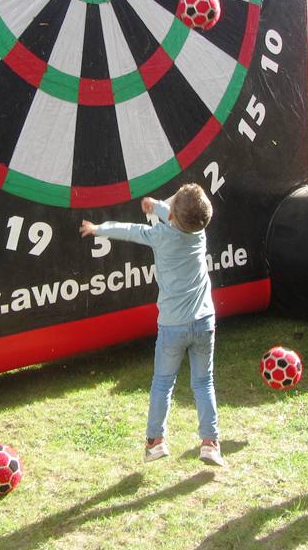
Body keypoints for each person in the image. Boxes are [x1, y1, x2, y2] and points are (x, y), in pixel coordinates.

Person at [79, 183, 225, 466]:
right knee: (203, 383)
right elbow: (178, 216)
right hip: (204, 322)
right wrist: (156, 206)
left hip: (172, 327)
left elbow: (130, 230)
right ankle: (210, 443)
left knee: (162, 382)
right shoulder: (199, 233)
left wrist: (98, 229)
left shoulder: (159, 236)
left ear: (171, 216)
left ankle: (155, 442)